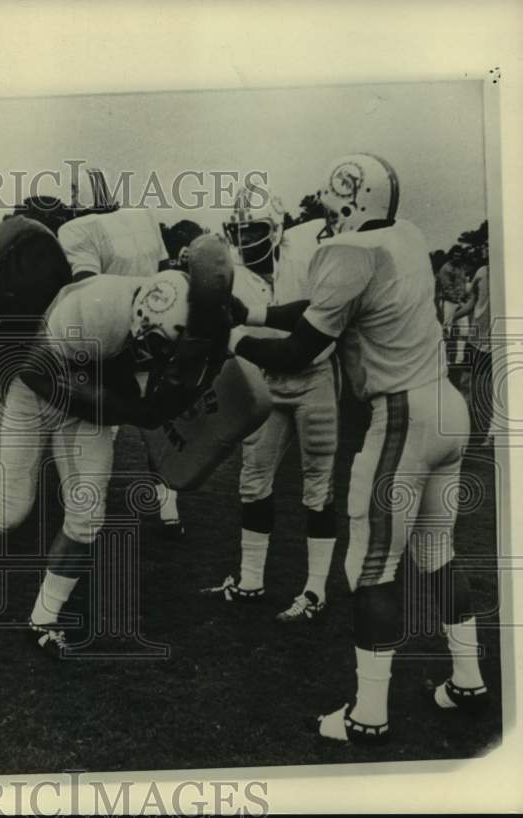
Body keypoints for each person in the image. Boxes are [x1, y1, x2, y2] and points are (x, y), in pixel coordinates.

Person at [226, 153, 488, 743]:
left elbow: (299, 350)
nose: (324, 214)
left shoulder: (347, 253)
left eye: (328, 203)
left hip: (403, 416)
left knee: (369, 568)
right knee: (435, 552)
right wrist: (259, 311)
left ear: (349, 199)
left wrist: (237, 336)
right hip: (447, 407)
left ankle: (367, 715)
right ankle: (467, 680)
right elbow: (324, 311)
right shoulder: (407, 236)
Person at [0, 235, 234, 657]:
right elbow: (32, 369)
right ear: (139, 324)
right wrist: (116, 408)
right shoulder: (94, 308)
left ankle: (43, 618)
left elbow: (197, 371)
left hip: (94, 388)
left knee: (86, 514)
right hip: (38, 383)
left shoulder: (202, 311)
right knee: (10, 511)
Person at [202, 187, 338, 623]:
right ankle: (250, 581)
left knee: (318, 487)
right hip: (265, 382)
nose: (245, 239)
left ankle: (315, 590)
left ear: (277, 230)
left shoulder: (309, 248)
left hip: (314, 376)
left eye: (254, 229)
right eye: (238, 230)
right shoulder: (235, 275)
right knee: (253, 480)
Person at [56, 198, 190, 537]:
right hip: (159, 334)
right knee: (156, 424)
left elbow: (87, 287)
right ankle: (167, 505)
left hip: (115, 338)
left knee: (103, 423)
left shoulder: (76, 230)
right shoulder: (142, 216)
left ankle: (84, 510)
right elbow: (165, 273)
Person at [450, 249, 493, 447]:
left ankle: (489, 433)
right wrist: (452, 318)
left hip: (494, 342)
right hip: (474, 338)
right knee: (465, 382)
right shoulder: (482, 272)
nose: (487, 249)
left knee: (488, 388)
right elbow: (473, 303)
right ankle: (461, 430)